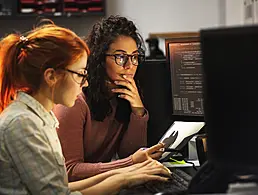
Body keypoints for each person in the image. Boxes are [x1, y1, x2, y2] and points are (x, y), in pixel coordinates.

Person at [0, 21, 171, 195]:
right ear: (51, 76)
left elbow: (60, 188)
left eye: (134, 57)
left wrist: (128, 172)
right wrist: (124, 177)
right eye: (80, 74)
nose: (86, 82)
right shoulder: (23, 124)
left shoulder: (41, 119)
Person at [53, 15, 163, 181]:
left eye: (134, 57)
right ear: (100, 60)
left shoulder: (123, 95)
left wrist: (138, 112)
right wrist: (130, 163)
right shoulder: (74, 101)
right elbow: (69, 171)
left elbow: (129, 153)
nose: (129, 66)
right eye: (120, 57)